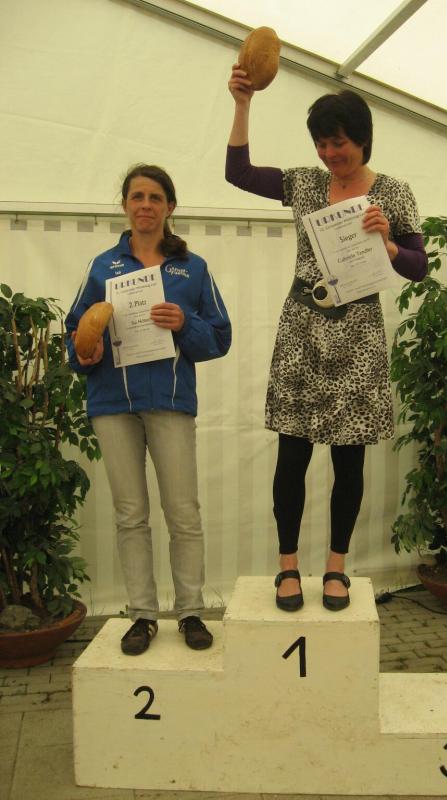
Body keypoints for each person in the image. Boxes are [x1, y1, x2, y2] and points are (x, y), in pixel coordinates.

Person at [226, 67, 427, 612]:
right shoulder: (305, 184)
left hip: (359, 331)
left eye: (338, 142)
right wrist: (243, 104)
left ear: (362, 138)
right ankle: (287, 567)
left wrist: (389, 245)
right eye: (321, 142)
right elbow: (238, 173)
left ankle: (337, 568)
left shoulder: (393, 193)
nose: (329, 153)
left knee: (348, 461)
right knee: (291, 456)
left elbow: (419, 267)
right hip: (303, 327)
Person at [66, 164, 231, 655]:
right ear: (125, 205)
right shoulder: (102, 267)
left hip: (170, 401)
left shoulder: (192, 268)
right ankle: (142, 615)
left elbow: (219, 338)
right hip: (112, 403)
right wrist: (84, 353)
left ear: (169, 207)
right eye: (137, 196)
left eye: (155, 197)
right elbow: (75, 335)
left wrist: (184, 323)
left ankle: (191, 611)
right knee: (130, 514)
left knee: (183, 512)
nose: (145, 205)